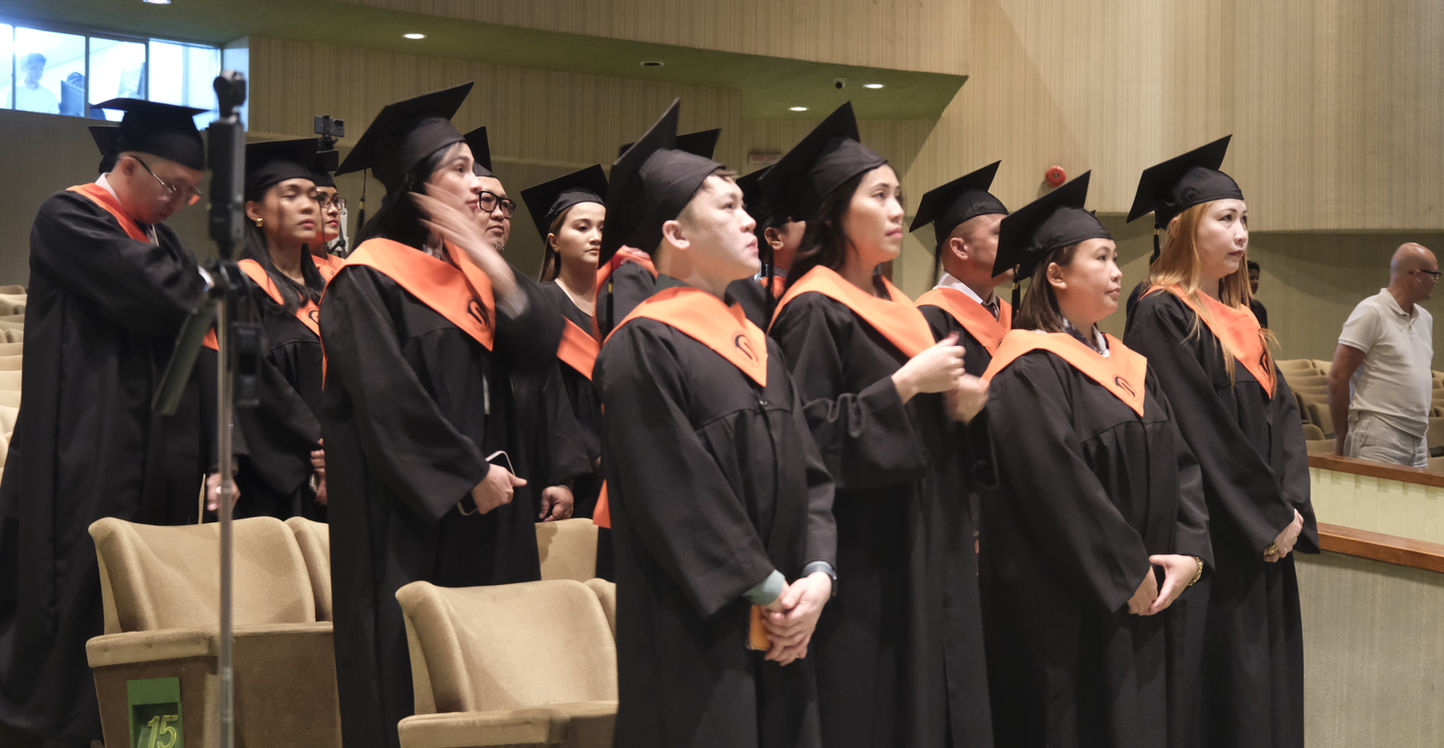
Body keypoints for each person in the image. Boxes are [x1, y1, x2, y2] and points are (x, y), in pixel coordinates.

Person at [321, 83, 561, 748]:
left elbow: (538, 347)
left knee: (494, 672)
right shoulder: (366, 279)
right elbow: (387, 402)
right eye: (459, 168)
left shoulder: (471, 273)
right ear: (416, 187)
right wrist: (465, 477)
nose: (478, 183)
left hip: (493, 512)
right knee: (415, 674)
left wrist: (490, 262)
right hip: (408, 518)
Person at [595, 99, 836, 748]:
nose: (750, 219)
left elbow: (813, 476)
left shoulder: (761, 345)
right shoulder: (643, 345)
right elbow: (675, 492)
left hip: (786, 623)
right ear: (675, 234)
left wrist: (817, 576)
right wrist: (768, 588)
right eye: (728, 206)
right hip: (696, 634)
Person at [763, 102, 993, 748]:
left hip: (927, 537)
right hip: (865, 552)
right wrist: (905, 385)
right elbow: (805, 440)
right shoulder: (813, 309)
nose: (897, 211)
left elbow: (923, 435)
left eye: (900, 197)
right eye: (881, 196)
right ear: (834, 213)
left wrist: (957, 412)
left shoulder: (898, 305)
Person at [0, 99, 220, 746]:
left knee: (152, 596)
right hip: (84, 447)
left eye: (192, 192)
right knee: (81, 589)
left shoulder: (161, 237)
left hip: (158, 449)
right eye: (174, 187)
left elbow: (202, 314)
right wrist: (204, 293)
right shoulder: (68, 216)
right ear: (129, 166)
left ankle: (146, 731)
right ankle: (68, 729)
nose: (182, 203)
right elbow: (168, 297)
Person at [980, 172, 1211, 747]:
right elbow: (1057, 489)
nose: (1117, 271)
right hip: (1071, 607)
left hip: (1151, 593)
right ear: (1056, 274)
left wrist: (1190, 553)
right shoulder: (1027, 369)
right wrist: (1126, 571)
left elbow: (1183, 462)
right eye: (1101, 258)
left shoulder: (1130, 363)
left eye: (1115, 258)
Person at [1123, 136, 1316, 748]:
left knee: (1265, 687)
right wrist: (1265, 516)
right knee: (1227, 691)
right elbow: (1198, 428)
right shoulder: (1161, 312)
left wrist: (1290, 508)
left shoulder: (1244, 316)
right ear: (1184, 228)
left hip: (1266, 531)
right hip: (1217, 534)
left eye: (1245, 221)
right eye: (1226, 219)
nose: (1241, 235)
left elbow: (1285, 415)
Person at [464, 127, 590, 524]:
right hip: (460, 481)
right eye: (486, 201)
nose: (499, 212)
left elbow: (548, 388)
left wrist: (560, 476)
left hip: (522, 476)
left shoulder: (517, 297)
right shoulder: (428, 289)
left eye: (505, 204)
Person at [231, 137, 330, 521]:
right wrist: (319, 447)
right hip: (278, 479)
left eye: (313, 196)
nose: (308, 205)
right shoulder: (241, 287)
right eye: (291, 195)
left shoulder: (333, 289)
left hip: (342, 464)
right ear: (254, 210)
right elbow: (254, 387)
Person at [521, 164, 609, 518]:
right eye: (582, 227)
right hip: (570, 476)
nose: (596, 237)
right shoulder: (539, 306)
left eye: (603, 228)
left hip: (629, 470)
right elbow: (543, 399)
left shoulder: (623, 307)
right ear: (554, 241)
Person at [1328, 242, 1437, 466]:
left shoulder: (1425, 318)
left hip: (1418, 436)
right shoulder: (1371, 311)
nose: (1436, 281)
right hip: (1379, 434)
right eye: (1434, 274)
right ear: (1416, 275)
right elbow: (1338, 377)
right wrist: (1341, 435)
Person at [911, 160, 1012, 375]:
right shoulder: (929, 319)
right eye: (999, 233)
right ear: (960, 248)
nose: (1012, 243)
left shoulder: (1013, 316)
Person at [1246, 260, 1269, 329]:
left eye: (1257, 278)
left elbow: (1264, 334)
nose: (1256, 282)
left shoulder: (1260, 308)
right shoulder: (1230, 305)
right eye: (1251, 278)